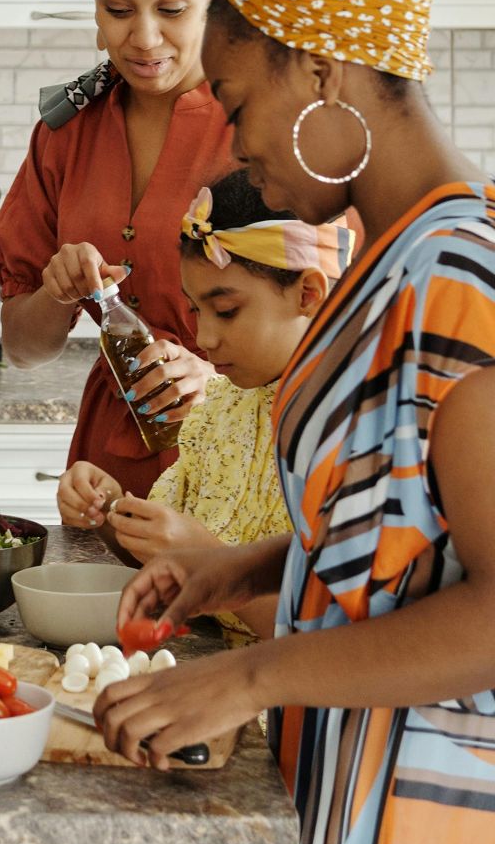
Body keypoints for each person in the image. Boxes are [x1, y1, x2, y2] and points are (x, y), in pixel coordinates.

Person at [96, 0, 495, 844]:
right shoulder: (393, 258)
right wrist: (251, 569)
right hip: (339, 786)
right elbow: (405, 525)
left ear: (321, 70)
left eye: (235, 103)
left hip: (425, 828)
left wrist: (249, 675)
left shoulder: (462, 283)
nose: (233, 146)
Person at [0, 0, 237, 530]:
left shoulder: (259, 129)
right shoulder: (65, 132)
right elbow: (22, 345)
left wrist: (213, 382)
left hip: (240, 465)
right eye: (117, 7)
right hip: (106, 474)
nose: (145, 38)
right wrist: (56, 295)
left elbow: (333, 335)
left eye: (173, 8)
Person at [58, 170, 350, 645]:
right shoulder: (219, 408)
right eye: (195, 311)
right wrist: (110, 510)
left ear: (308, 294)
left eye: (227, 310)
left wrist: (210, 561)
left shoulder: (354, 426)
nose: (205, 339)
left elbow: (344, 645)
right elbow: (166, 556)